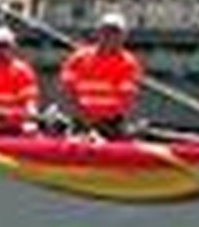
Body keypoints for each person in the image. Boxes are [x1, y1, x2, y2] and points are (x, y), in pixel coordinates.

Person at [59, 8, 144, 136]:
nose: (110, 36)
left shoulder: (129, 63)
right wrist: (81, 115)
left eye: (115, 32)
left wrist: (104, 121)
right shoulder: (78, 58)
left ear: (123, 36)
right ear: (98, 33)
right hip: (80, 123)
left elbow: (127, 99)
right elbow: (66, 90)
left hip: (111, 125)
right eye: (106, 31)